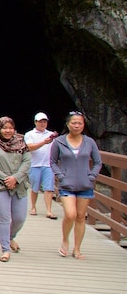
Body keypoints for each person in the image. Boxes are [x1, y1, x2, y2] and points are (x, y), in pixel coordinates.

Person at [49, 111, 102, 260]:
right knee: (70, 214)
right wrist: (60, 175)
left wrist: (91, 176)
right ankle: (65, 239)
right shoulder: (59, 141)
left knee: (80, 217)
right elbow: (52, 161)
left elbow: (98, 162)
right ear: (68, 124)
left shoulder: (89, 142)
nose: (77, 125)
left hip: (85, 185)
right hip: (67, 184)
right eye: (74, 122)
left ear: (83, 125)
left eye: (80, 123)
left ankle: (77, 248)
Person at [0, 116, 31, 262]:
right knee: (4, 218)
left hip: (19, 184)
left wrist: (16, 178)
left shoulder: (21, 142)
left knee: (20, 218)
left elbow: (27, 161)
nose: (8, 131)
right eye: (5, 128)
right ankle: (5, 249)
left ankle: (10, 237)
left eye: (10, 127)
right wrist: (6, 179)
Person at [24, 112, 59, 219]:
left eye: (44, 121)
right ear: (35, 122)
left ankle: (49, 210)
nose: (43, 124)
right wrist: (44, 142)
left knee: (49, 188)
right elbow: (29, 147)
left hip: (48, 165)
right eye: (40, 122)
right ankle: (33, 207)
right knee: (35, 188)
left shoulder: (50, 135)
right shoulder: (29, 134)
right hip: (34, 164)